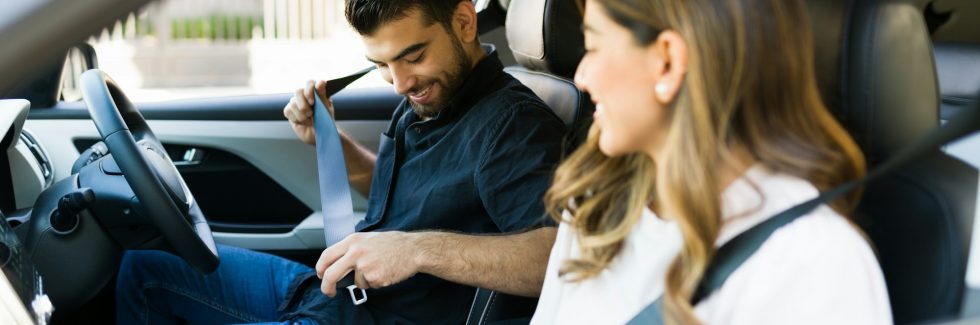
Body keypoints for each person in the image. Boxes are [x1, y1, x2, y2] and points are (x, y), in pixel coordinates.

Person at [116, 0, 566, 324]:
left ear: (464, 22)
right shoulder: (429, 97)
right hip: (333, 295)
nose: (400, 82)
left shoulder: (512, 125)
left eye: (414, 56)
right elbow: (397, 195)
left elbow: (555, 257)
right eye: (382, 64)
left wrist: (416, 250)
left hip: (376, 316)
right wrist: (330, 142)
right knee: (144, 265)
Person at [530, 0, 892, 324]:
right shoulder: (599, 201)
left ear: (668, 61)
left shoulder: (809, 260)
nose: (581, 76)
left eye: (593, 46)